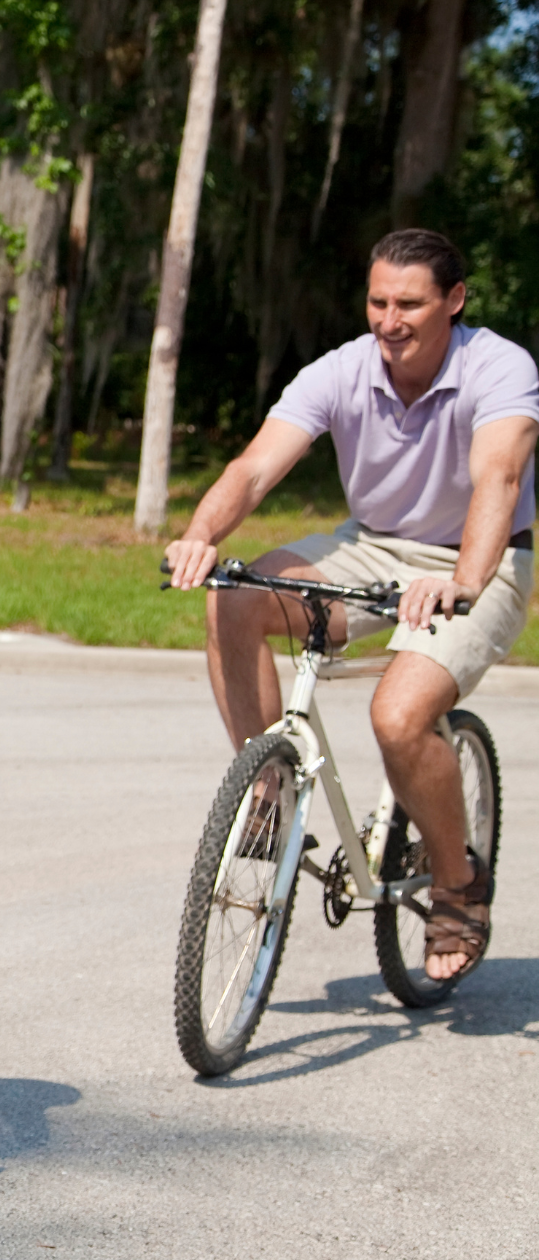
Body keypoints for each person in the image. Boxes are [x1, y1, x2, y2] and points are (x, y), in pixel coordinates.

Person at [164, 229, 539, 983]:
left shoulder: (499, 368)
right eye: (378, 301)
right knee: (234, 598)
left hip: (480, 560)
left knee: (399, 717)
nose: (389, 320)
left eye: (410, 304)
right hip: (372, 546)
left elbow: (497, 480)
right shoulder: (342, 370)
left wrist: (464, 581)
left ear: (455, 301)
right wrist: (201, 535)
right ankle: (267, 802)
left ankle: (458, 885)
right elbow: (255, 468)